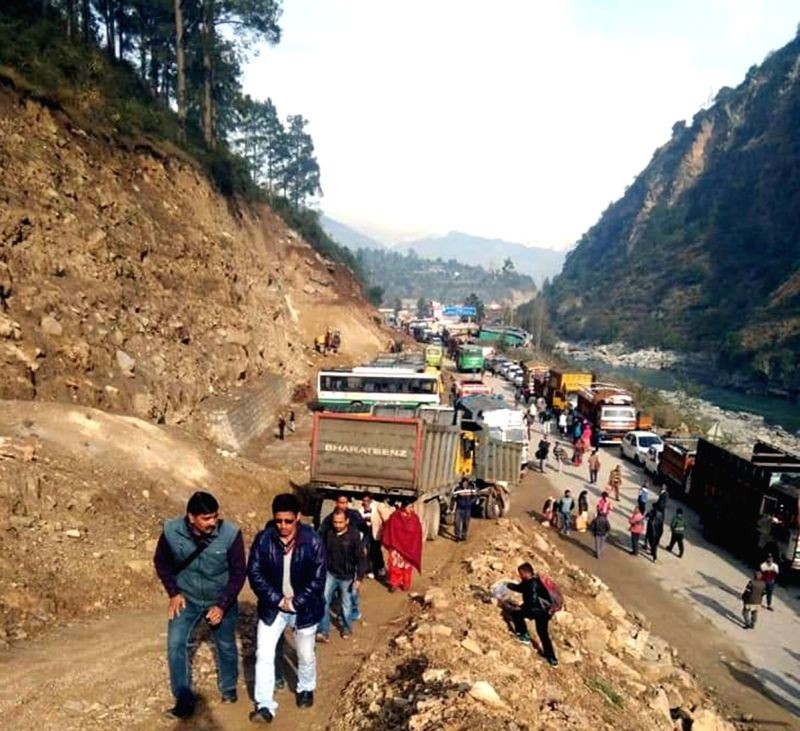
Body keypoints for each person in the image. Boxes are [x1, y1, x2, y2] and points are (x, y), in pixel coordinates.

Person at [154, 491, 246, 720]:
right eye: (206, 518)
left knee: (225, 645)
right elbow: (161, 562)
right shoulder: (171, 532)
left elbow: (238, 573)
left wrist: (223, 605)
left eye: (215, 516)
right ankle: (184, 700)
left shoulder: (231, 534)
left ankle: (228, 689)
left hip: (220, 597)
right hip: (188, 597)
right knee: (176, 644)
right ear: (191, 517)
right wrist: (173, 593)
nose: (212, 522)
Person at [247, 493, 326, 722]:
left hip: (304, 609)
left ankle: (305, 688)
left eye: (288, 521)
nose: (282, 526)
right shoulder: (264, 539)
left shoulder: (312, 541)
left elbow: (318, 579)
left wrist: (296, 602)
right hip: (273, 609)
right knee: (263, 654)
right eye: (278, 520)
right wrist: (278, 600)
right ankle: (264, 705)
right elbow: (254, 572)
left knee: (305, 654)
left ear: (298, 517)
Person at [317, 509, 367, 642]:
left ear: (347, 521)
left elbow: (361, 558)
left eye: (340, 522)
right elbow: (322, 553)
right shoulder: (329, 533)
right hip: (330, 574)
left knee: (346, 604)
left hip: (347, 577)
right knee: (323, 601)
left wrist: (359, 578)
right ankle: (323, 630)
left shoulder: (354, 536)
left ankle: (346, 627)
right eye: (335, 522)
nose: (337, 525)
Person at [507, 562, 559, 667]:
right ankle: (552, 659)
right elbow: (521, 588)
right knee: (543, 634)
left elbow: (532, 601)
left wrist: (521, 608)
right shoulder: (532, 581)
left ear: (526, 573)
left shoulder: (533, 584)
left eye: (520, 573)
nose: (519, 575)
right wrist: (509, 585)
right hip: (545, 611)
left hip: (538, 611)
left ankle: (524, 635)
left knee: (516, 613)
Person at [382, 503, 423, 592]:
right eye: (409, 507)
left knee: (407, 566)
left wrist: (414, 546)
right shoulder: (395, 517)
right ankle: (394, 583)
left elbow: (417, 533)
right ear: (404, 507)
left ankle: (406, 583)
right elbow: (389, 529)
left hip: (409, 548)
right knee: (394, 565)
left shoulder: (415, 518)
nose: (411, 509)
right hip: (396, 546)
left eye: (412, 506)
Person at [358, 494, 387, 578]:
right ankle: (369, 570)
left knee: (376, 550)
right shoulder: (360, 510)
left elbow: (385, 517)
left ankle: (380, 568)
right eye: (364, 500)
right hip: (365, 532)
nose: (365, 502)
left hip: (375, 531)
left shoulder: (377, 507)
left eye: (367, 500)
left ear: (370, 501)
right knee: (365, 550)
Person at [452, 477, 479, 542]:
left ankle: (464, 535)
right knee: (457, 523)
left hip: (467, 509)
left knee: (466, 523)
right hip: (459, 509)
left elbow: (475, 496)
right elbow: (453, 498)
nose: (464, 484)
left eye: (466, 483)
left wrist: (471, 502)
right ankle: (458, 536)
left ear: (467, 483)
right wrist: (452, 507)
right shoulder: (458, 489)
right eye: (463, 483)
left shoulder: (471, 489)